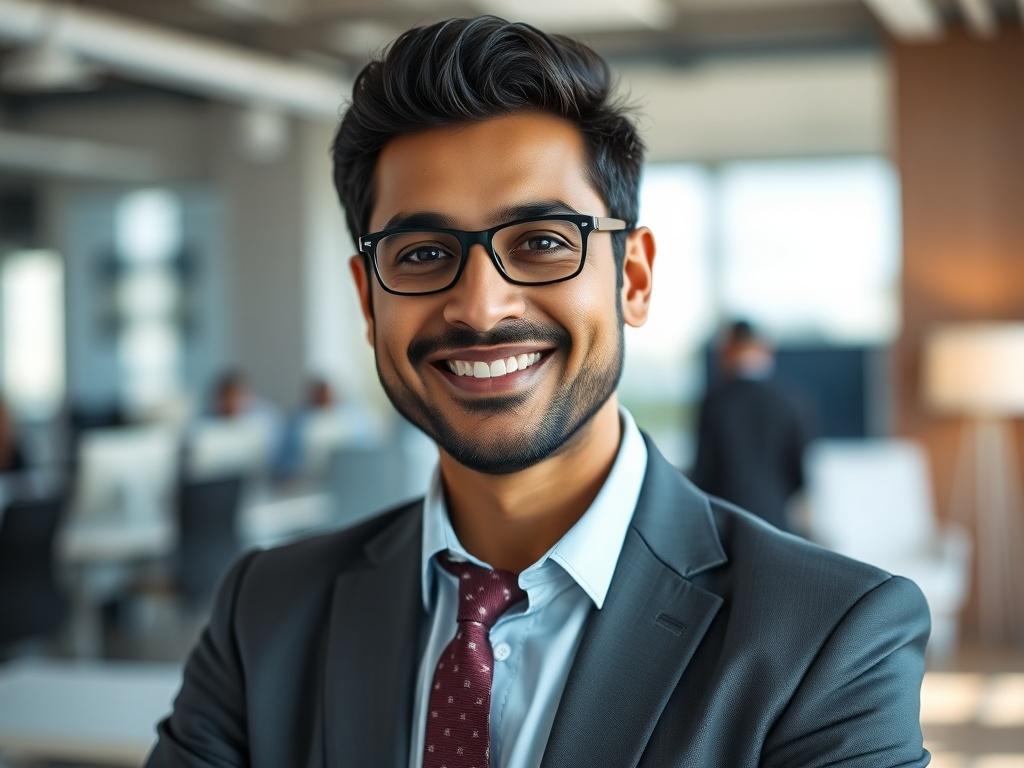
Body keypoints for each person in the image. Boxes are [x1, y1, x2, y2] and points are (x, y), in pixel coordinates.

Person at [147, 17, 930, 768]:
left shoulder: (826, 638)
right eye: (421, 253)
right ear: (367, 298)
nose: (482, 308)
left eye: (543, 243)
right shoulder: (266, 614)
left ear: (633, 276)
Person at [690, 320, 809, 532]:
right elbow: (798, 472)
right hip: (777, 523)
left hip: (726, 525)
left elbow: (704, 471)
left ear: (730, 350)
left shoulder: (714, 403)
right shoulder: (790, 400)